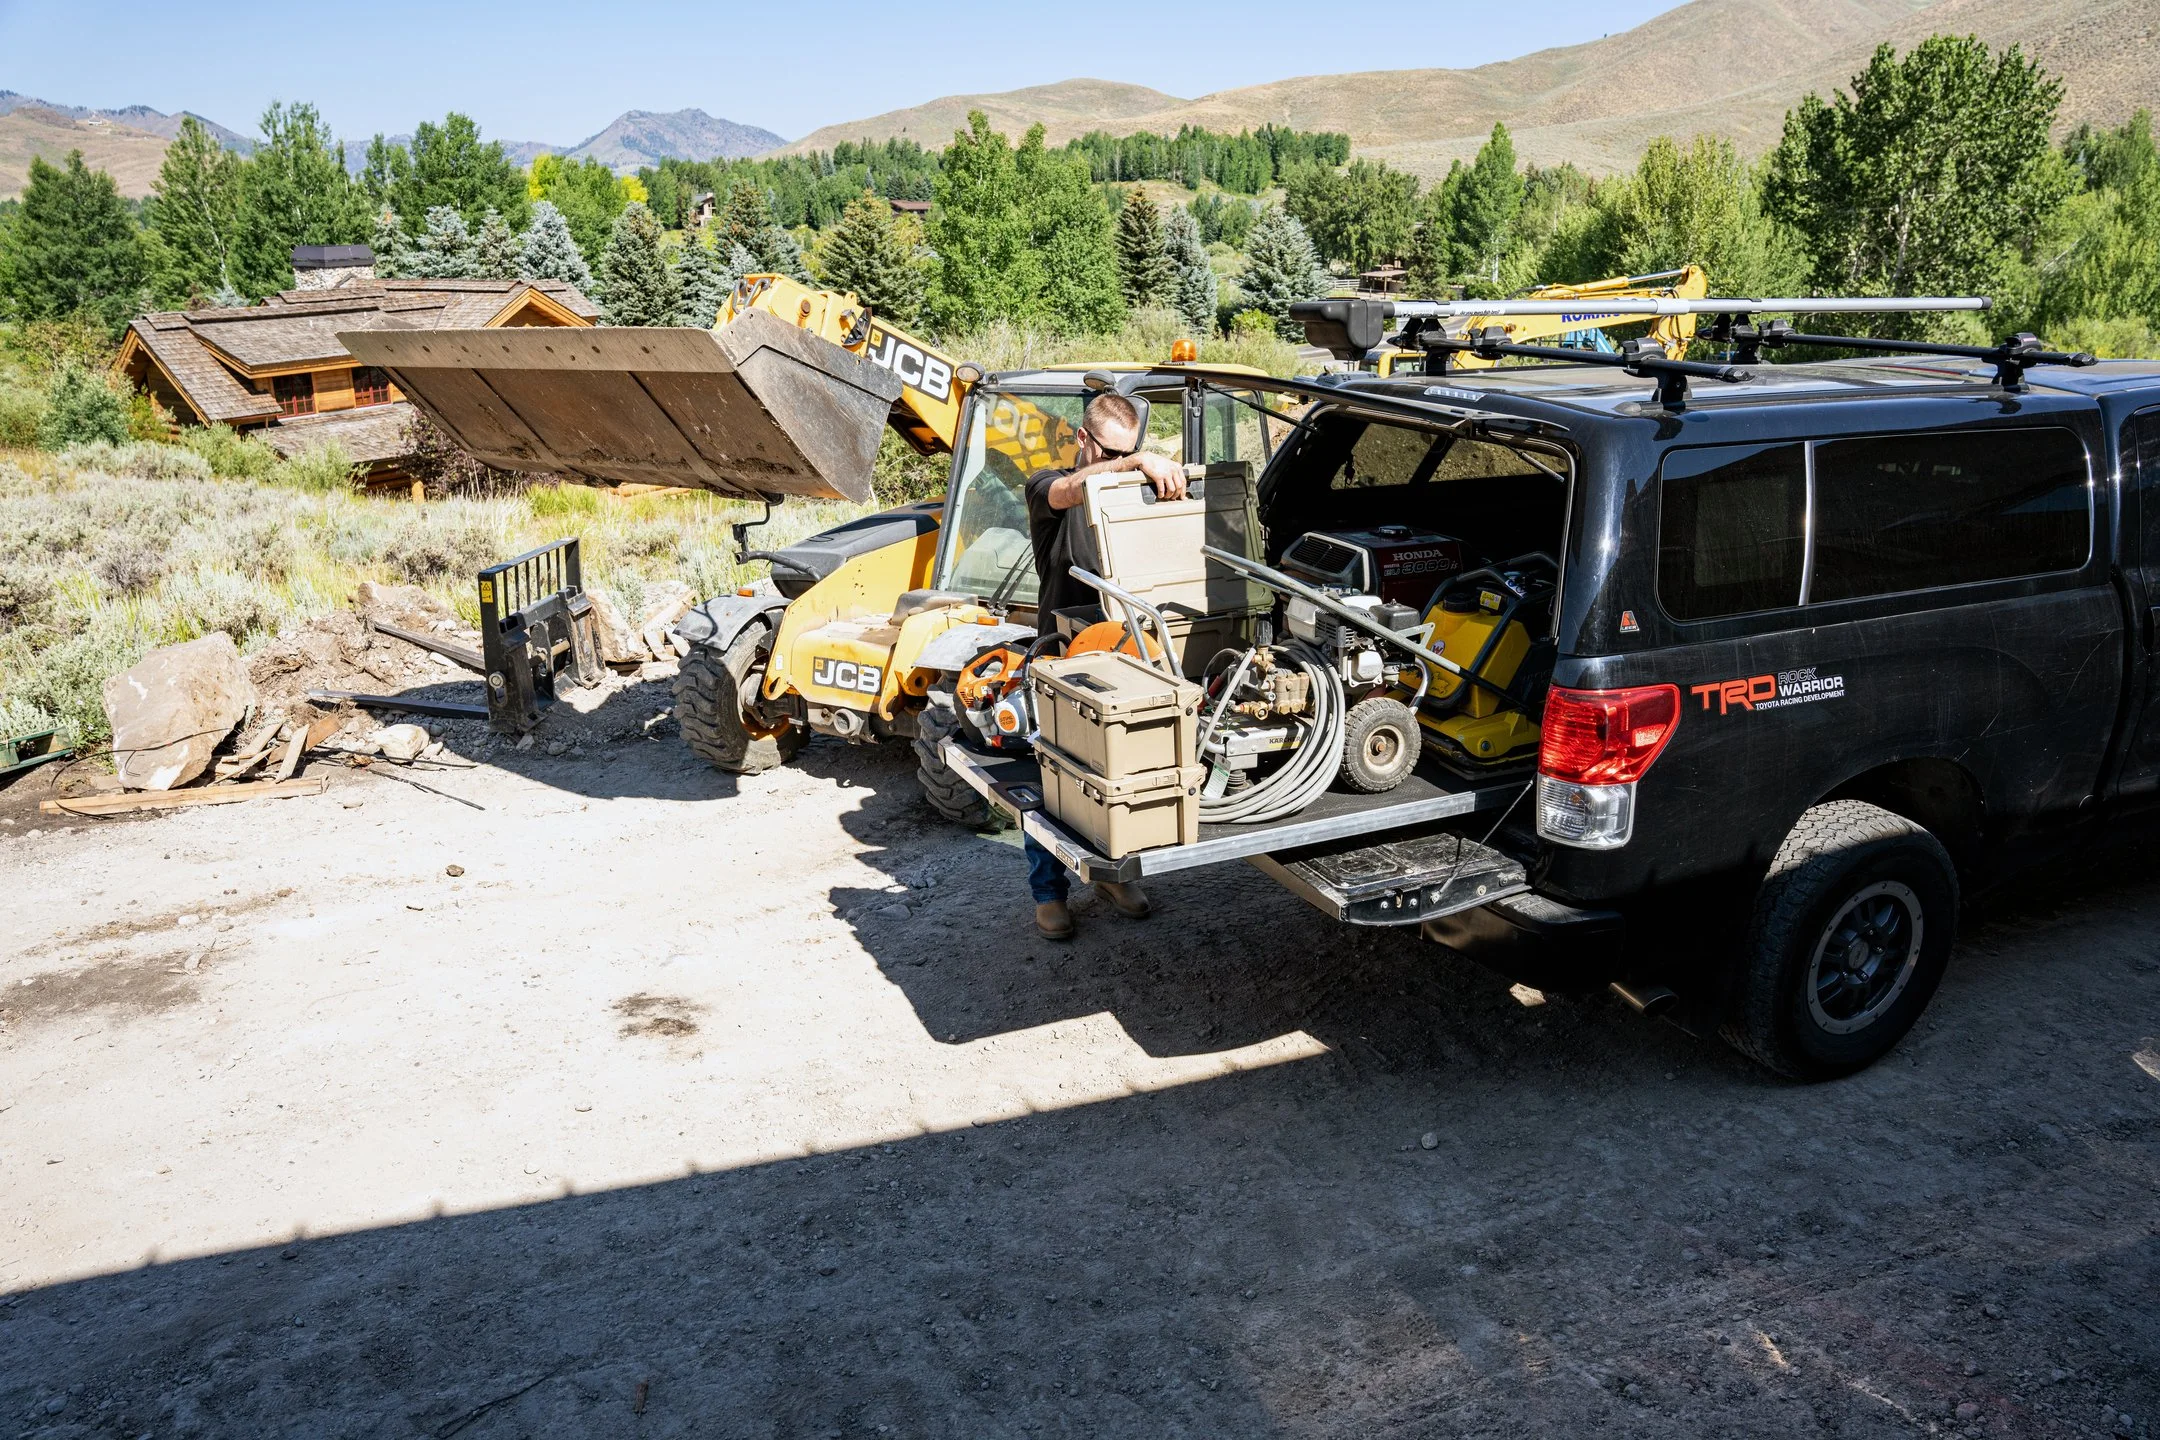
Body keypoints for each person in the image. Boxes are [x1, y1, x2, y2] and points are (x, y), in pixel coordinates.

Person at [1021, 391, 1189, 940]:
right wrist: (1136, 462)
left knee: (1120, 775)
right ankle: (1049, 893)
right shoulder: (1050, 487)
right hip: (1063, 653)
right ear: (1082, 440)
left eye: (1131, 450)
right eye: (1110, 453)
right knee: (1058, 776)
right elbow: (1072, 489)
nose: (1118, 463)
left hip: (1126, 652)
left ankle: (1115, 874)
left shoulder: (1126, 488)